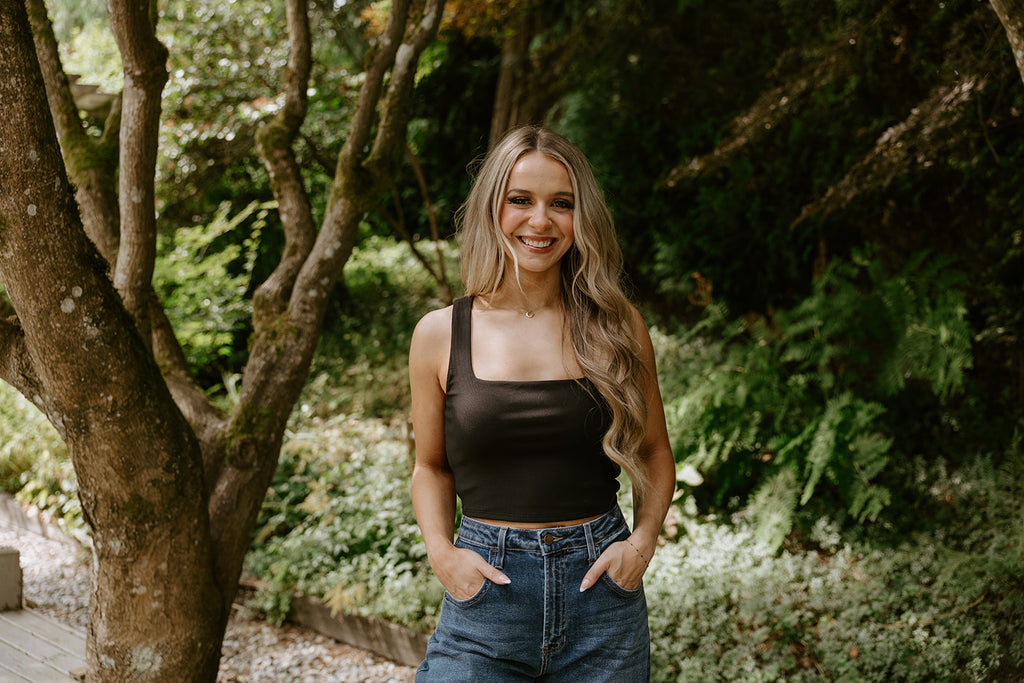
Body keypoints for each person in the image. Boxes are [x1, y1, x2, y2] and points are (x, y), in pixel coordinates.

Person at [408, 125, 675, 682]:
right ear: (492, 209)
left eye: (561, 204)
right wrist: (442, 553)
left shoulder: (617, 325)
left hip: (601, 595)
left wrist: (642, 545)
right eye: (520, 200)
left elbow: (653, 451)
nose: (540, 221)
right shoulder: (440, 334)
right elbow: (431, 466)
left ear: (582, 219)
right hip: (486, 597)